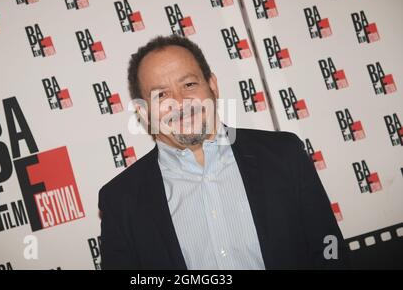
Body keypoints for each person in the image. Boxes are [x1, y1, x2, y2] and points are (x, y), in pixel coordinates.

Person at [98, 35, 349, 269]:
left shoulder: (283, 155)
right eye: (161, 94)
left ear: (212, 86)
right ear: (143, 111)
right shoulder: (120, 200)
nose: (180, 102)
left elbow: (329, 251)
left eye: (188, 84)